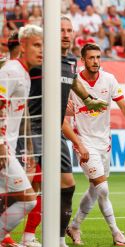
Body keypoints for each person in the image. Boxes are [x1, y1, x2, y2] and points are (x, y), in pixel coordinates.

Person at [66, 43, 125, 246]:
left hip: (104, 143)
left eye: (98, 57)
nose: (96, 62)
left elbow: (122, 102)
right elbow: (63, 112)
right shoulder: (74, 83)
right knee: (103, 189)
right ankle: (116, 232)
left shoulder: (109, 79)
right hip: (84, 142)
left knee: (95, 188)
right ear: (83, 60)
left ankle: (74, 226)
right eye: (91, 58)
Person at [59, 16, 108, 247]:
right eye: (62, 30)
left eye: (69, 30)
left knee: (68, 186)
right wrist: (79, 143)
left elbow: (73, 82)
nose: (66, 34)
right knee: (30, 189)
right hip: (38, 129)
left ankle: (61, 235)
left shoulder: (69, 62)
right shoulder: (44, 60)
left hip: (60, 134)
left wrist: (88, 100)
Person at [0, 24, 43, 246]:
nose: (42, 50)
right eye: (37, 45)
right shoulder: (11, 71)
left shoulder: (24, 75)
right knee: (28, 199)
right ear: (23, 46)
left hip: (8, 149)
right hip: (1, 149)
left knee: (15, 199)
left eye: (43, 45)